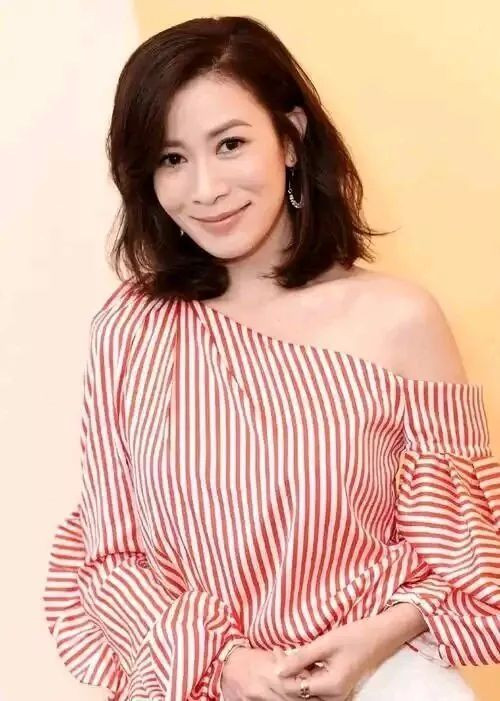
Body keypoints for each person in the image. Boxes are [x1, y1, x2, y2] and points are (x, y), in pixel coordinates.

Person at [43, 15, 499, 701]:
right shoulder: (130, 328)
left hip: (384, 680)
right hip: (197, 681)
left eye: (229, 144)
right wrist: (228, 662)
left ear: (290, 136)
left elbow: (470, 551)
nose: (204, 189)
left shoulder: (400, 320)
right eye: (171, 159)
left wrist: (377, 638)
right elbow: (111, 557)